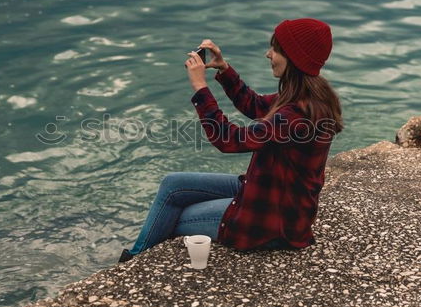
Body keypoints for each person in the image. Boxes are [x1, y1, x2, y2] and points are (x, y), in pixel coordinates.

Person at [118, 18, 343, 263]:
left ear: (295, 57)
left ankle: (132, 262)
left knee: (174, 217)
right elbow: (256, 105)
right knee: (173, 185)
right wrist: (224, 69)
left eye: (276, 49)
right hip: (267, 193)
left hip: (271, 221)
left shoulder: (298, 114)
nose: (269, 54)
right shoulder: (306, 96)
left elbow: (229, 140)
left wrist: (200, 87)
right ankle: (135, 256)